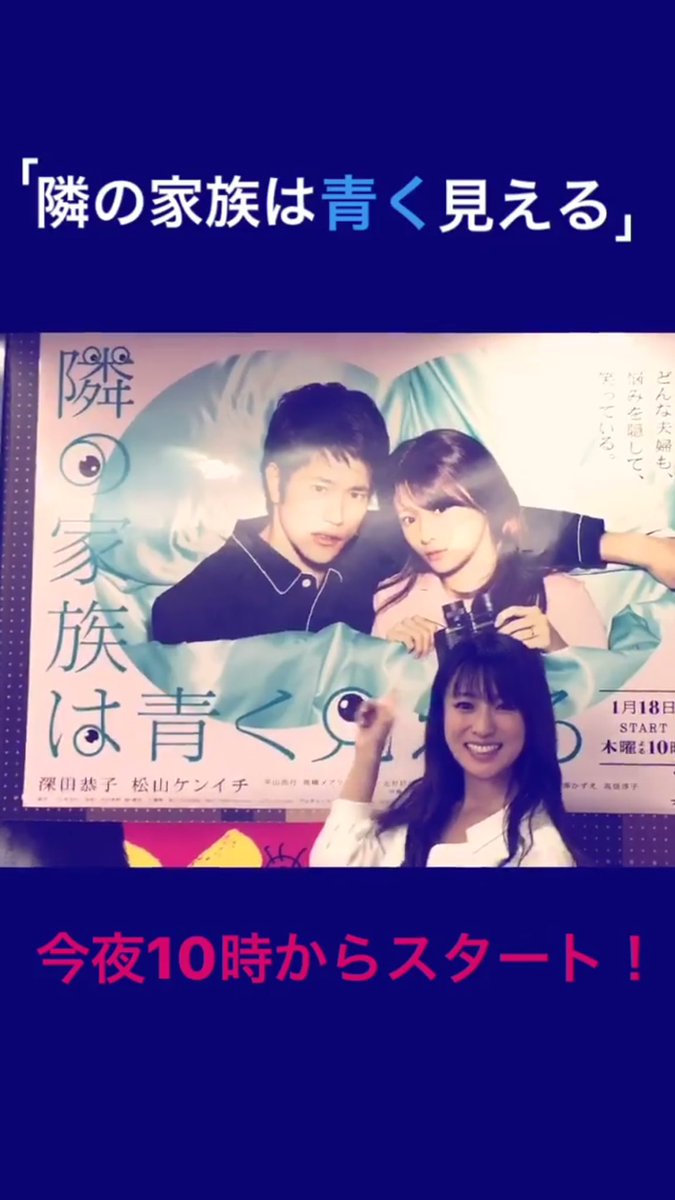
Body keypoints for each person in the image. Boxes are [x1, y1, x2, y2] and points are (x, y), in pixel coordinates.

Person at [151, 382, 675, 646]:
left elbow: (481, 519)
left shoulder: (373, 543)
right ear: (274, 482)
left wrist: (636, 548)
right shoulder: (190, 610)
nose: (338, 516)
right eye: (319, 488)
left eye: (357, 494)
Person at [309, 631, 579, 868]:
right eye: (465, 706)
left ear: (531, 718)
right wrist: (370, 749)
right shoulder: (424, 808)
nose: (483, 727)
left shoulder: (541, 853)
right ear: (442, 713)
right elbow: (334, 862)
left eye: (504, 706)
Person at [372, 429, 608, 657]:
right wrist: (391, 659)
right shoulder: (395, 603)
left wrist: (559, 651)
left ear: (489, 502)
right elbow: (372, 682)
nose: (425, 535)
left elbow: (604, 683)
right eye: (409, 519)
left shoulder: (561, 596)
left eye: (440, 509)